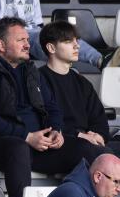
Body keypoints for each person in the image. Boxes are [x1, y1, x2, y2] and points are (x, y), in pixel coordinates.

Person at [0, 17, 107, 197]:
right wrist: (27, 136)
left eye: (27, 40)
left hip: (36, 144)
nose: (27, 45)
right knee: (18, 148)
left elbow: (52, 108)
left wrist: (56, 131)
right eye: (20, 40)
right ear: (1, 45)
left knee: (90, 150)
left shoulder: (30, 71)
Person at [38, 21, 120, 155]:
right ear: (51, 48)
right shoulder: (38, 79)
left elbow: (99, 119)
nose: (77, 45)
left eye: (76, 40)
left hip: (90, 143)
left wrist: (99, 136)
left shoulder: (83, 82)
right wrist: (80, 136)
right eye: (68, 41)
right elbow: (44, 122)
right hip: (63, 143)